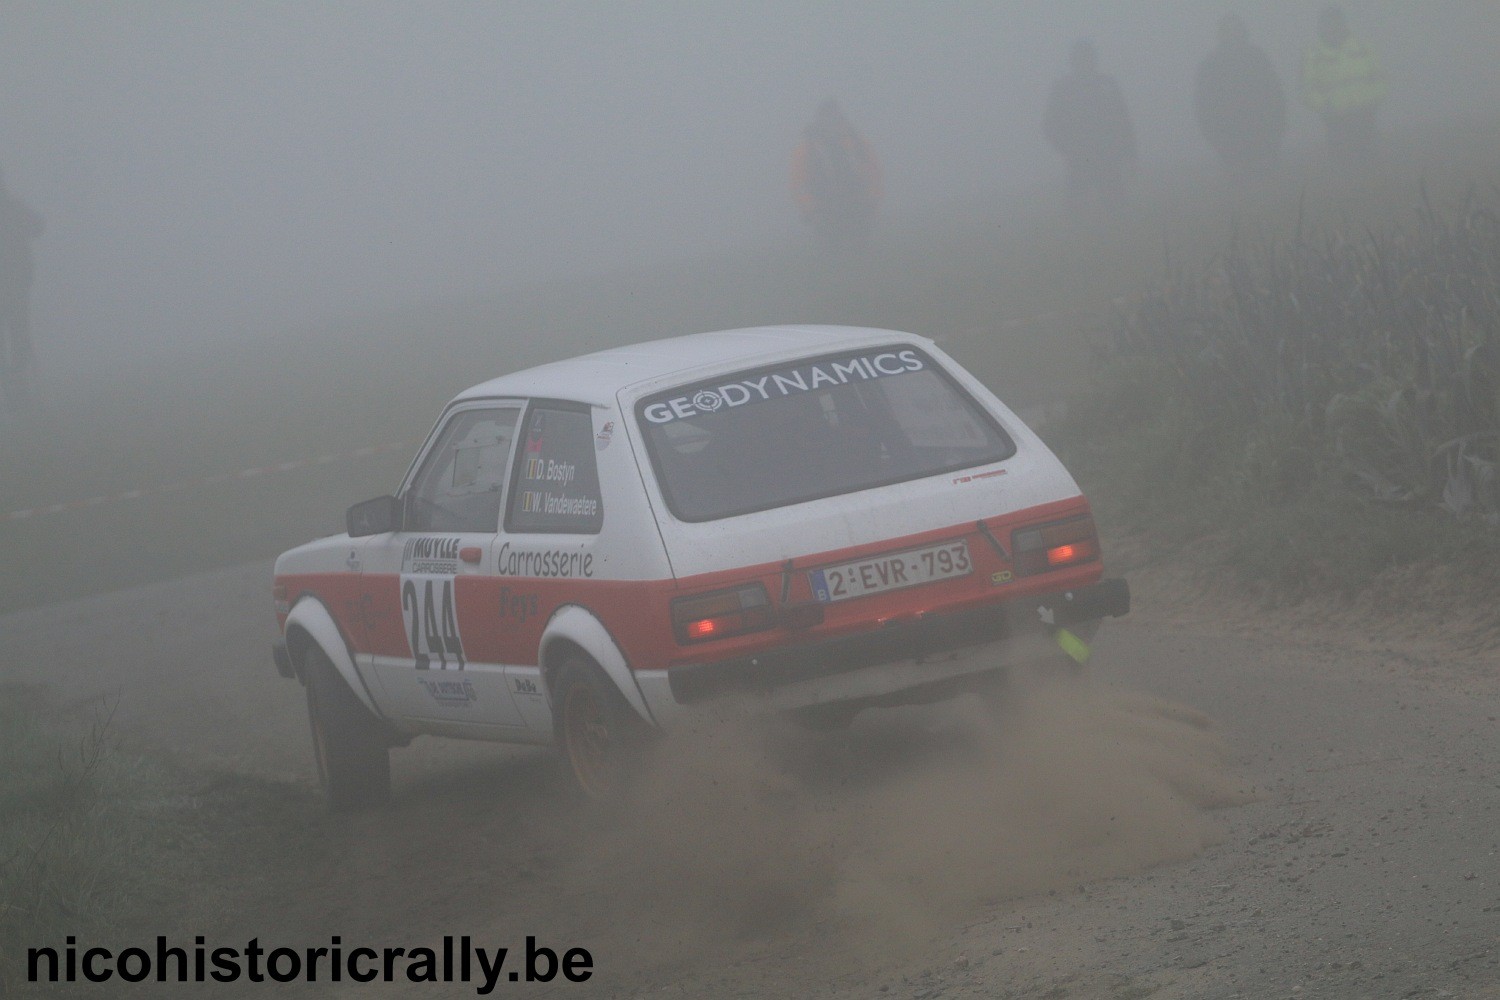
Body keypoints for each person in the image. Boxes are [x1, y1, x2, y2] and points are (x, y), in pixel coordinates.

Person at [1043, 38, 1138, 212]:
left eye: (1088, 58)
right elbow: (1050, 125)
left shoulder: (1107, 85)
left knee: (1115, 210)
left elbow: (1123, 122)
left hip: (1107, 157)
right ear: (1073, 62)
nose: (1086, 63)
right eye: (1081, 59)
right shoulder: (1063, 89)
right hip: (1079, 158)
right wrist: (1069, 148)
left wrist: (1129, 153)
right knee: (1078, 211)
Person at [1194, 12, 1288, 184]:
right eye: (1228, 31)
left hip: (1262, 134)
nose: (1233, 35)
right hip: (1229, 139)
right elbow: (1203, 105)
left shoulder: (1257, 57)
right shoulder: (1211, 65)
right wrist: (1215, 137)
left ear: (1243, 31)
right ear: (1221, 34)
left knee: (1267, 185)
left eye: (1236, 30)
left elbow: (1274, 94)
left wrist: (1278, 126)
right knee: (1239, 187)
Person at [1300, 4, 1386, 170]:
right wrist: (1326, 106)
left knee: (1370, 164)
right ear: (1321, 26)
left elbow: (1381, 79)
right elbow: (1306, 89)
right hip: (1336, 121)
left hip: (1365, 116)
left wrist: (1369, 102)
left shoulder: (1363, 47)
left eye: (1335, 21)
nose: (1332, 26)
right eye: (1327, 23)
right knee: (1343, 166)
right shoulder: (1312, 55)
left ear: (1343, 23)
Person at [790, 99, 882, 248]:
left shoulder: (857, 143)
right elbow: (798, 184)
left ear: (840, 117)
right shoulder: (807, 149)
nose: (830, 121)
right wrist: (811, 211)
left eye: (834, 116)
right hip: (824, 212)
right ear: (819, 120)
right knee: (832, 254)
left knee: (861, 252)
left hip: (858, 208)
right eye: (826, 117)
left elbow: (873, 173)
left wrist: (872, 200)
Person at [0, 165, 44, 377]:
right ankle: (16, 372)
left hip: (16, 276)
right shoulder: (14, 207)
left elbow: (38, 227)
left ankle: (14, 373)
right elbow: (38, 227)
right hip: (18, 275)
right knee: (18, 324)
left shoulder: (14, 208)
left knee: (16, 323)